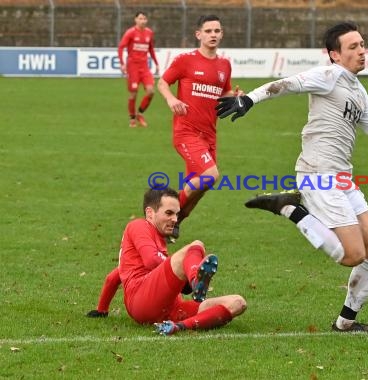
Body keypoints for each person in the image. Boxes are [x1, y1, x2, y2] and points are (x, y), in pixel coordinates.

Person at [216, 21, 368, 333]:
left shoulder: (359, 92)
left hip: (343, 179)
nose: (361, 51)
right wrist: (249, 99)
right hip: (317, 176)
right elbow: (287, 83)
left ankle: (346, 322)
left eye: (362, 44)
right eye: (353, 47)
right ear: (334, 54)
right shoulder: (328, 76)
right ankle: (290, 209)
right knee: (352, 255)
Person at [86, 187, 246, 335]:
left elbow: (113, 278)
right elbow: (151, 260)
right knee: (196, 246)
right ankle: (195, 279)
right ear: (150, 213)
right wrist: (182, 274)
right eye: (169, 213)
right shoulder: (139, 226)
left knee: (237, 303)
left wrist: (102, 310)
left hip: (169, 309)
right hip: (141, 300)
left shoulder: (156, 242)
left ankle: (179, 326)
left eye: (177, 214)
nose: (175, 219)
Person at [157, 14, 240, 241]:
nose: (213, 34)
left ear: (221, 34)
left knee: (198, 190)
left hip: (210, 135)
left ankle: (173, 226)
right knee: (210, 175)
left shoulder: (224, 65)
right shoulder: (185, 60)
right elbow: (162, 82)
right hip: (186, 131)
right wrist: (171, 100)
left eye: (217, 31)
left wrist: (235, 97)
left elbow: (225, 93)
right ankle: (161, 221)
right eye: (209, 31)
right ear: (199, 35)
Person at [118, 11, 160, 128]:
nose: (142, 21)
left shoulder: (149, 33)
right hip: (133, 67)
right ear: (135, 20)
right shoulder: (130, 33)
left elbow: (151, 49)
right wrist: (122, 63)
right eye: (140, 18)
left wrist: (156, 63)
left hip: (144, 67)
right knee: (133, 94)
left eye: (144, 19)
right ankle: (132, 118)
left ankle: (139, 114)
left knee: (151, 91)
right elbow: (121, 47)